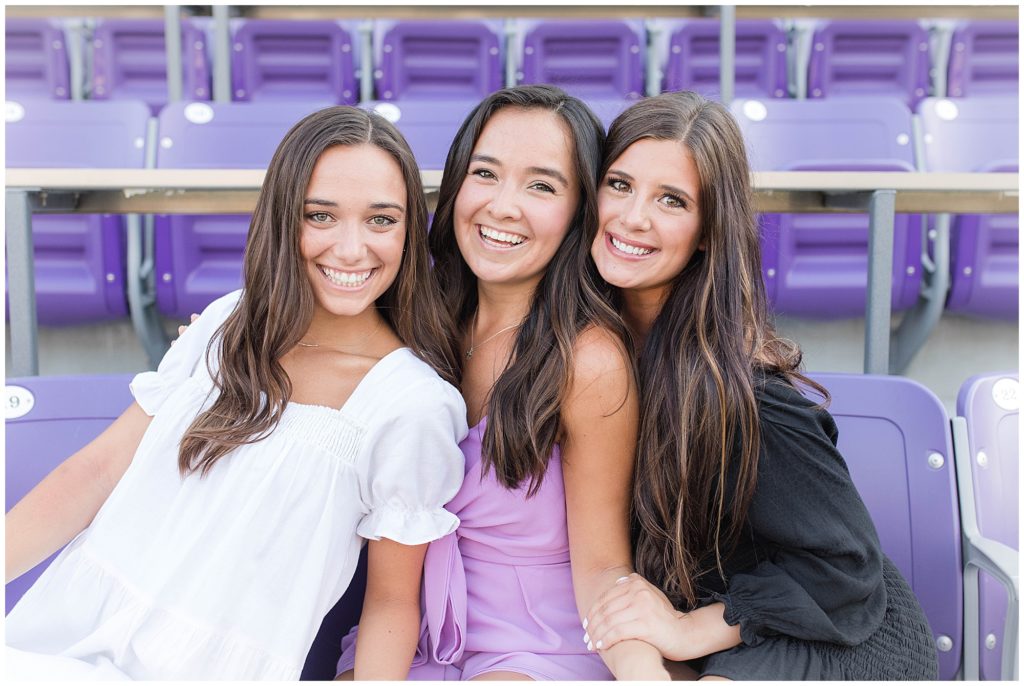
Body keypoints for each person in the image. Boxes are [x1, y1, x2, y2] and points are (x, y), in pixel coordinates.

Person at [5, 106, 469, 681]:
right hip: (64, 638)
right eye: (320, 216)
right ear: (281, 218)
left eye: (381, 220)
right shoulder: (229, 319)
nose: (352, 250)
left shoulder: (412, 403)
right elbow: (96, 472)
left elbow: (392, 603)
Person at [582, 91, 939, 680]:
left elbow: (845, 570)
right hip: (730, 626)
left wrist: (682, 629)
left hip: (832, 634)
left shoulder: (748, 395)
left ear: (706, 232)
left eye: (672, 200)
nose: (633, 216)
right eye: (619, 184)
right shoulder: (592, 349)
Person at [337, 85, 667, 680]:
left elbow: (603, 569)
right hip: (407, 628)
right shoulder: (413, 317)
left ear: (580, 210)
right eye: (485, 174)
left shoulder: (588, 361)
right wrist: (215, 337)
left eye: (541, 185)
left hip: (540, 646)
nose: (503, 205)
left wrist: (645, 674)